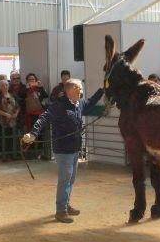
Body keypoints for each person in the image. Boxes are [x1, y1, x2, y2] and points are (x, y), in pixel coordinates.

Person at [23, 79, 103, 223]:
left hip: (74, 148)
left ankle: (66, 204)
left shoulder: (79, 103)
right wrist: (33, 133)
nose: (81, 90)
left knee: (70, 179)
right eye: (79, 88)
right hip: (63, 148)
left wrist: (103, 90)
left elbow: (91, 101)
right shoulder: (59, 105)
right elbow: (44, 117)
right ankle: (61, 211)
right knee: (65, 180)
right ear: (69, 89)